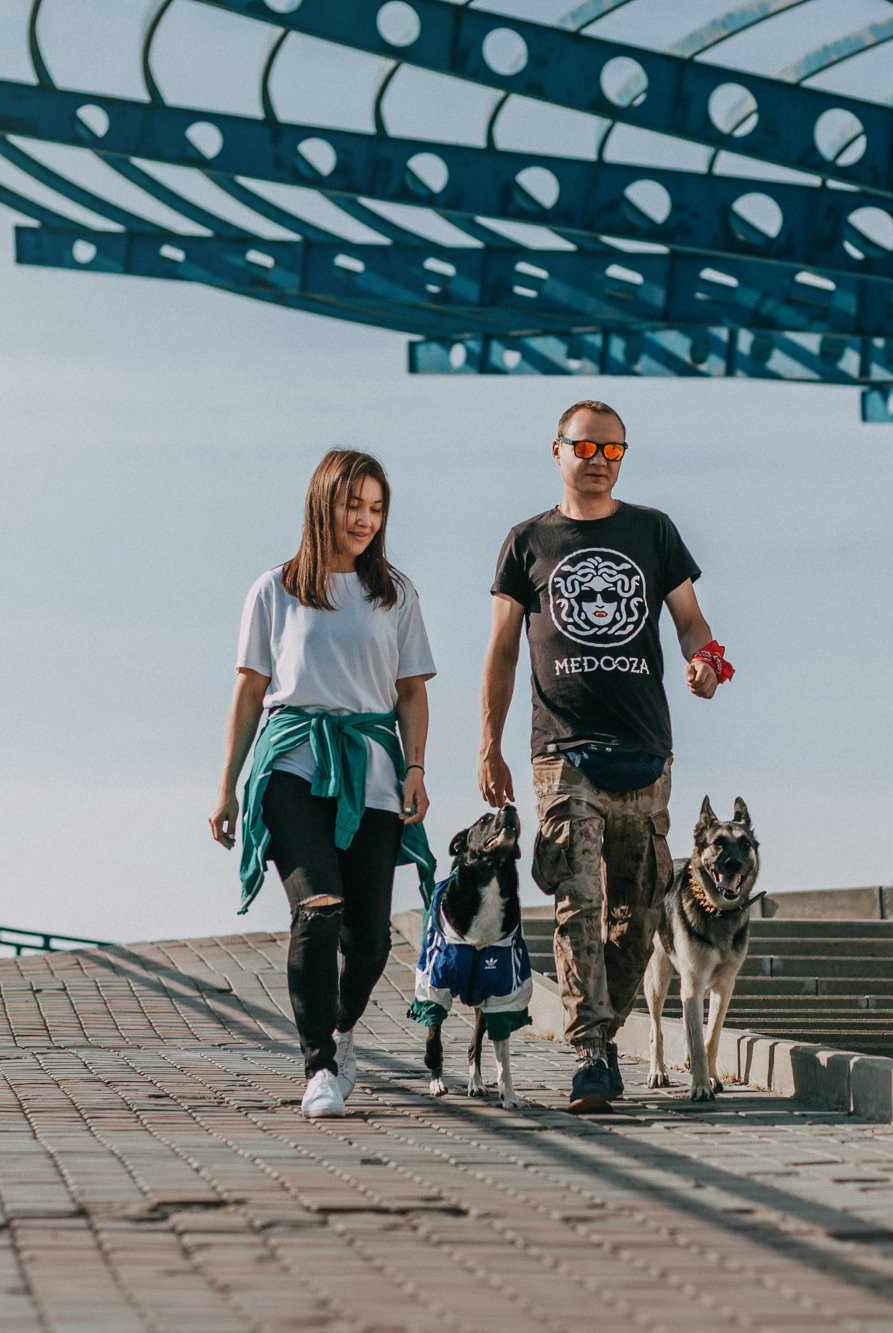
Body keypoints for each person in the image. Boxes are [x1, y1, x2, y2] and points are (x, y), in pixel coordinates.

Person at [479, 400, 733, 1113]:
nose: (597, 460)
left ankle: (605, 1033)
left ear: (623, 455)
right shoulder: (526, 541)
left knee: (642, 914)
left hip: (646, 751)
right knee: (577, 903)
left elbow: (691, 622)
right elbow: (501, 651)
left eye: (610, 450)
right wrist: (488, 745)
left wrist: (706, 663)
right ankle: (592, 1050)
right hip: (561, 751)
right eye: (584, 447)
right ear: (556, 450)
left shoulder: (653, 531)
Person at [211, 449, 437, 1119]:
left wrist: (416, 767)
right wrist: (226, 785)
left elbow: (411, 691)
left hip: (371, 770)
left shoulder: (394, 592)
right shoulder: (273, 590)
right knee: (318, 908)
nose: (365, 518)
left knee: (370, 939)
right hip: (293, 764)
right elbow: (250, 691)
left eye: (376, 508)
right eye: (352, 505)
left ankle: (341, 1032)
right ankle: (317, 1066)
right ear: (322, 504)